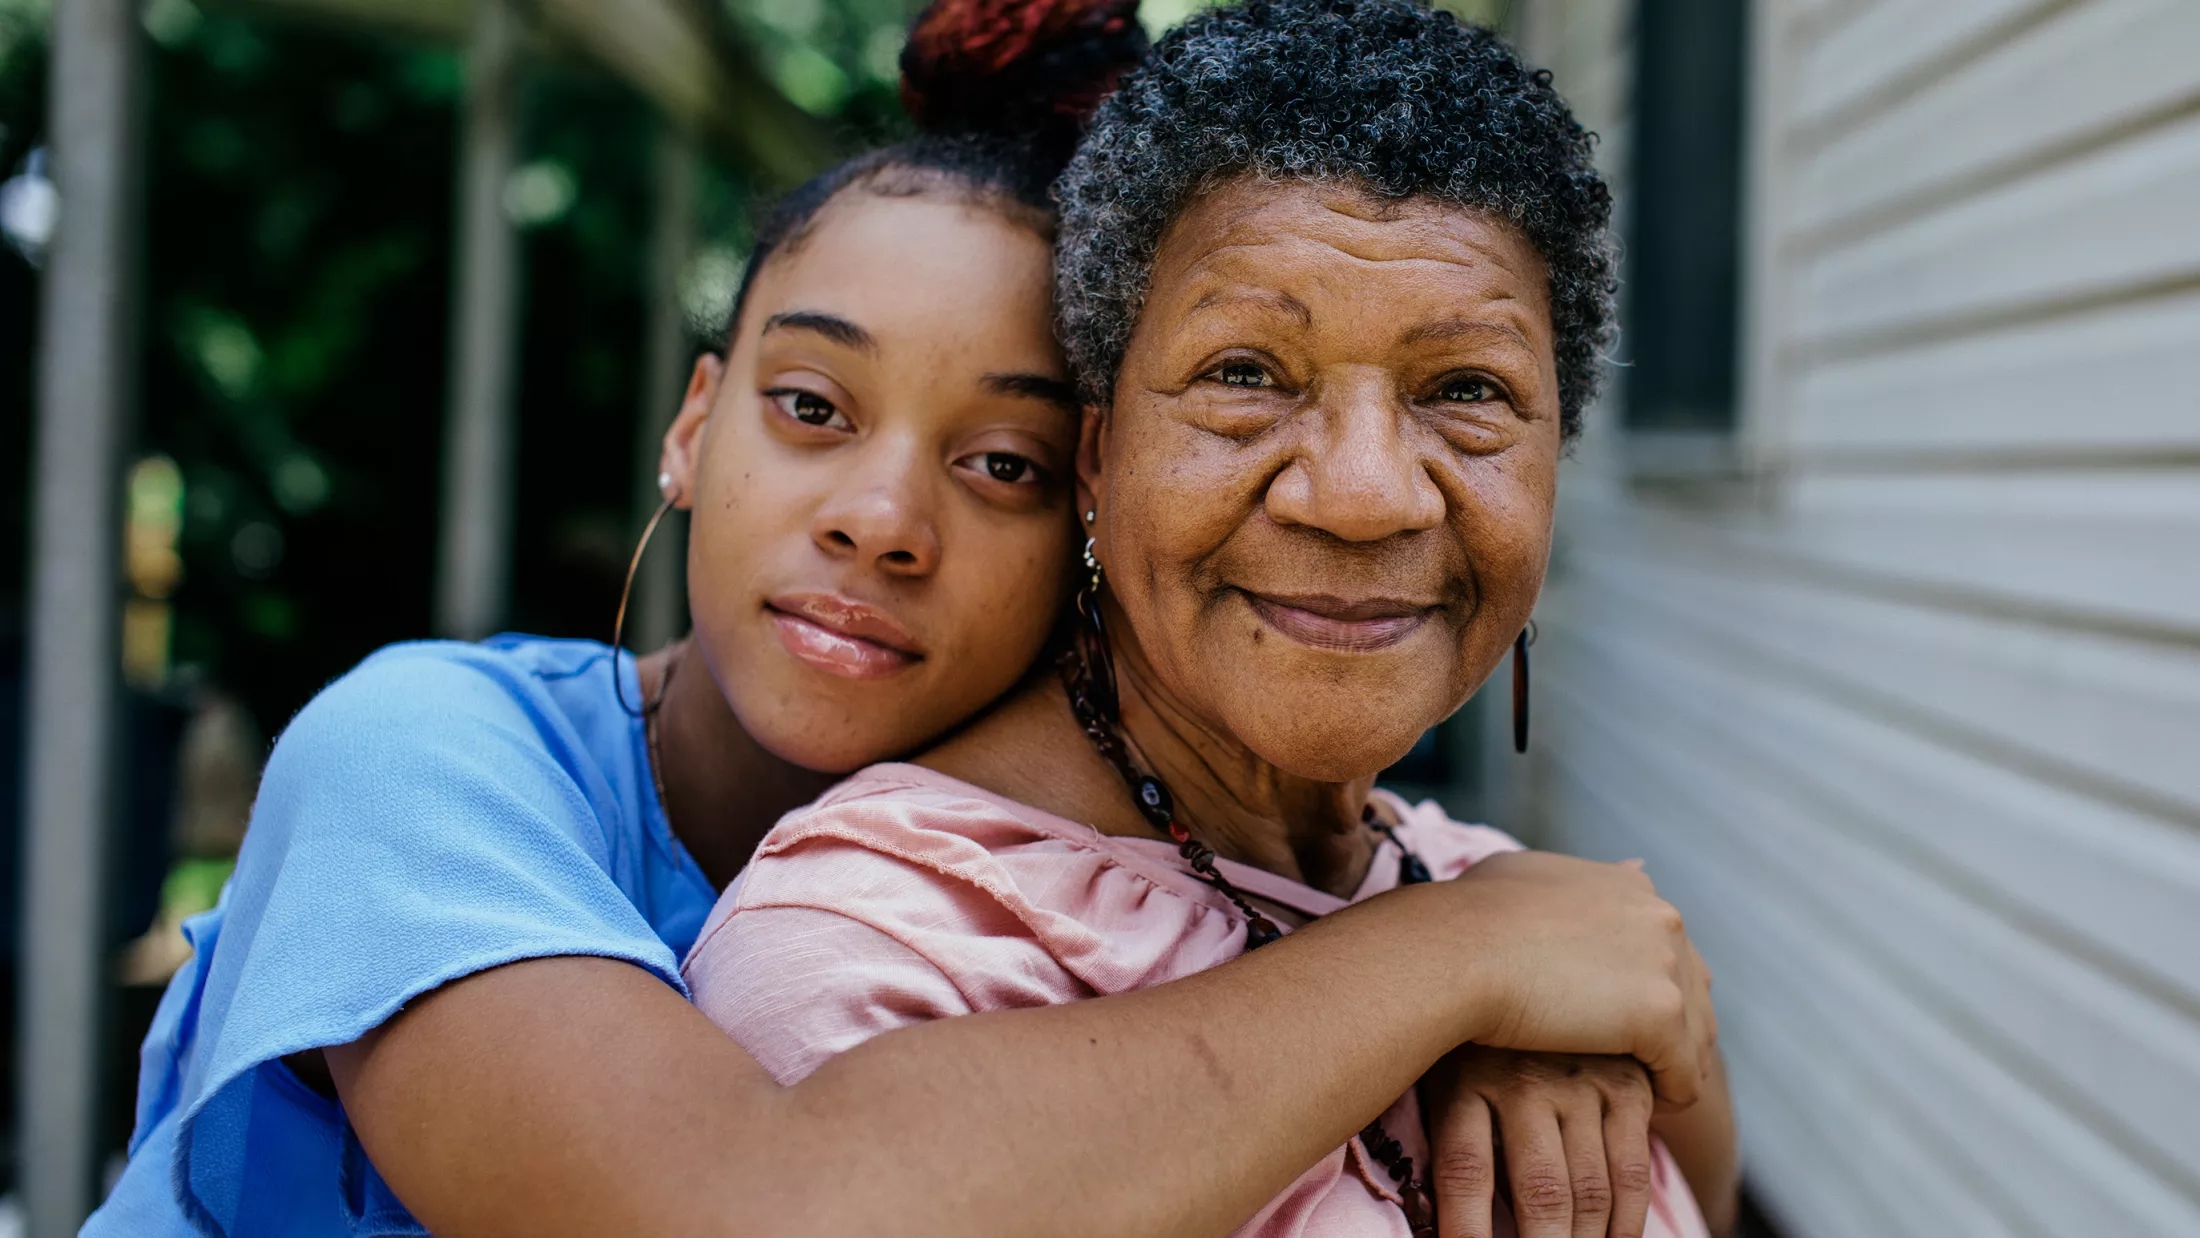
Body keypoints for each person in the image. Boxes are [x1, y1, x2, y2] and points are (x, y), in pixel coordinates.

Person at [86, 1, 1717, 1234]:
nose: (880, 515)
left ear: (1090, 497)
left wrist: (1533, 1008)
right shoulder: (427, 756)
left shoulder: (1160, 859)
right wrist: (1457, 958)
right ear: (689, 424)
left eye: (998, 458)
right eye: (810, 404)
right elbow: (743, 1206)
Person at [681, 3, 1738, 1238]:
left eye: (1466, 389)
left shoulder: (1546, 919)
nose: (1361, 494)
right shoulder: (889, 940)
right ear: (1097, 454)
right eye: (1244, 373)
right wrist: (1460, 968)